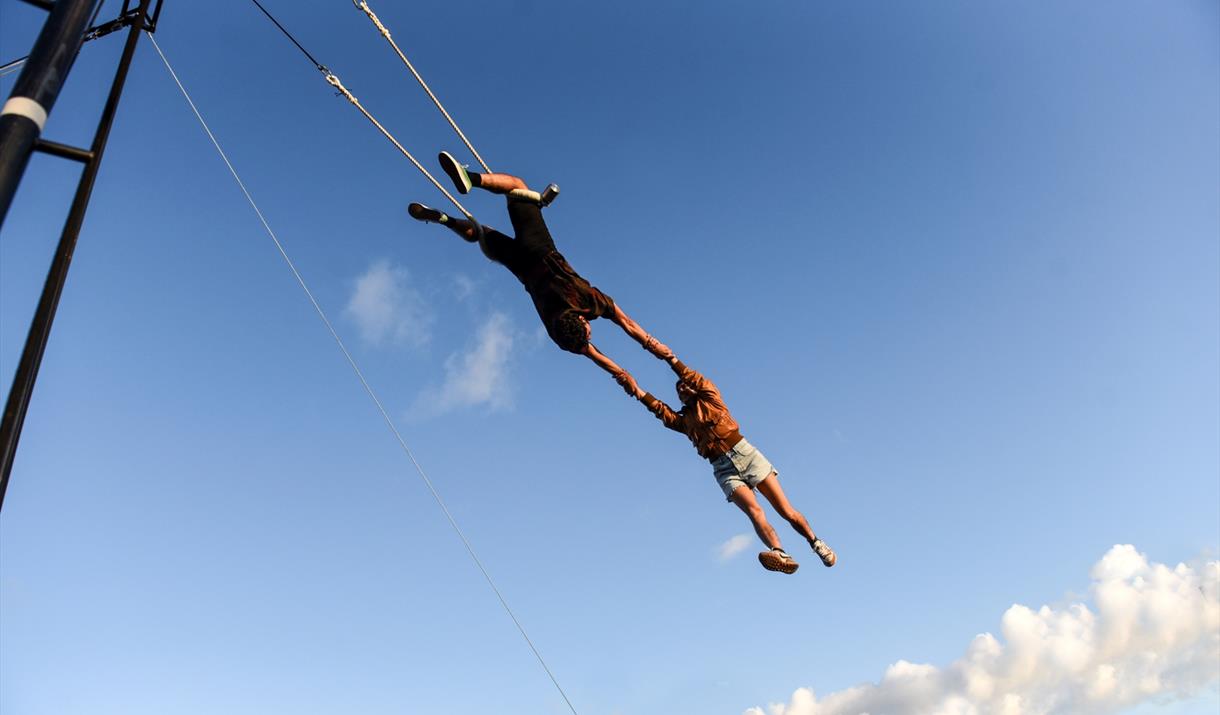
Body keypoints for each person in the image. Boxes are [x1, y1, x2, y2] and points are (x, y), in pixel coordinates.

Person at [408, 151, 671, 378]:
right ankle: (443, 219)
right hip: (521, 268)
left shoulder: (588, 299)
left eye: (589, 330)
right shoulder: (558, 330)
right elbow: (594, 355)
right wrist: (624, 375)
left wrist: (655, 349)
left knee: (517, 187)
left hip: (539, 249)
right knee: (481, 232)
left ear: (581, 318)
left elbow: (627, 324)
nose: (591, 333)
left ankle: (472, 179)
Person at [617, 356, 837, 574]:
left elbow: (689, 376)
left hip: (746, 454)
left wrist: (674, 363)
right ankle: (779, 552)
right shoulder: (683, 422)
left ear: (694, 388)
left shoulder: (711, 397)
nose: (682, 388)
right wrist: (635, 389)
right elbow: (658, 409)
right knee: (754, 511)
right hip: (723, 469)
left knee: (786, 511)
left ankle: (816, 542)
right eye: (678, 389)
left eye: (685, 385)